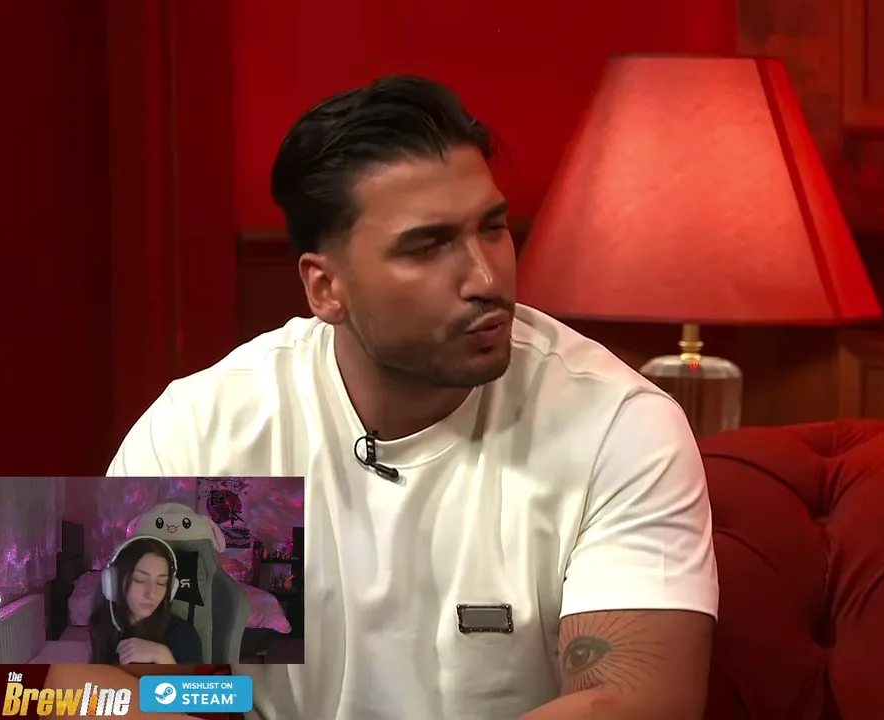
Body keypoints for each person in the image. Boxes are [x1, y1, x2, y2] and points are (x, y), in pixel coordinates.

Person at [107, 75, 718, 719]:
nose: (487, 277)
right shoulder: (207, 422)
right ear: (326, 289)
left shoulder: (617, 424)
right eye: (428, 246)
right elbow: (91, 684)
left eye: (493, 228)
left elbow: (634, 703)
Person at [89, 536, 203, 665]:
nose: (152, 594)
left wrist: (163, 657)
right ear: (114, 582)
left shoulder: (184, 637)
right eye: (140, 580)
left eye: (161, 583)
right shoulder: (102, 625)